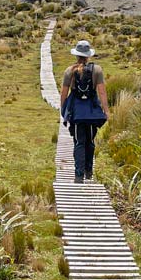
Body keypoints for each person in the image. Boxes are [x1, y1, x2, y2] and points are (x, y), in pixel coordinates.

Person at [60, 40, 109, 184]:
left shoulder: (69, 71)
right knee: (90, 141)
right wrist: (106, 111)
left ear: (76, 55)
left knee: (79, 142)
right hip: (92, 112)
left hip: (76, 112)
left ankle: (79, 175)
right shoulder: (97, 70)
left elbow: (64, 93)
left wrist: (64, 111)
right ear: (88, 55)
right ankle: (89, 171)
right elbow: (102, 93)